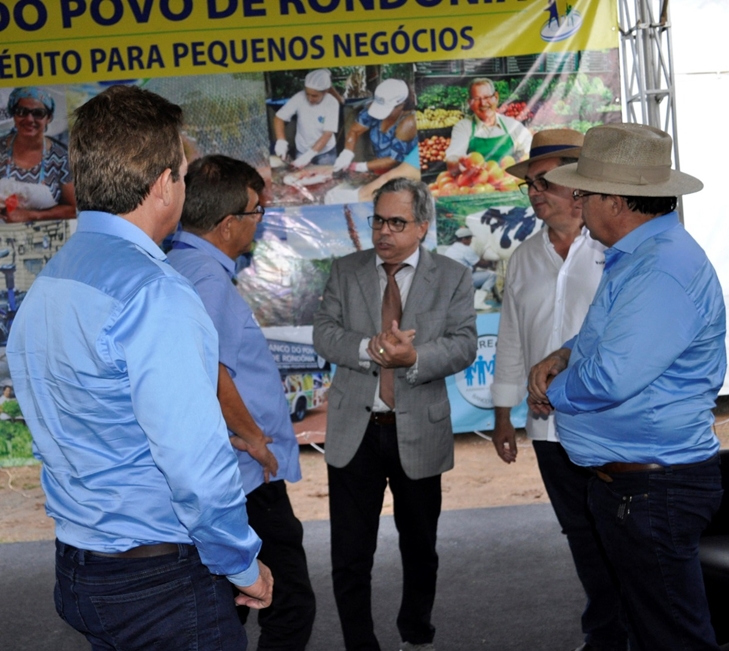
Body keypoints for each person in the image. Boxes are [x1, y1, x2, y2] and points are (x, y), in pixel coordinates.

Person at [6, 85, 273, 651]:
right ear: (164, 185)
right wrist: (242, 564)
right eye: (184, 174)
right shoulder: (156, 293)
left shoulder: (50, 280)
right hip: (159, 584)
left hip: (82, 566)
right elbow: (196, 468)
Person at [527, 123, 726, 651]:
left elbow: (612, 375)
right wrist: (566, 353)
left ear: (614, 202)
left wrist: (552, 391)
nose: (578, 203)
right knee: (652, 631)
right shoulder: (643, 257)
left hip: (654, 489)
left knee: (672, 638)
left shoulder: (660, 268)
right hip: (641, 485)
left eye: (585, 194)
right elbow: (613, 339)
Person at [312, 177, 477, 651]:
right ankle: (359, 642)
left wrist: (415, 357)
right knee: (350, 554)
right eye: (378, 221)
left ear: (423, 226)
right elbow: (324, 333)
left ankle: (417, 631)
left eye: (397, 223)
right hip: (355, 432)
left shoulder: (452, 276)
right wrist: (370, 347)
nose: (383, 232)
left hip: (419, 430)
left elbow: (464, 343)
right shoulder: (346, 270)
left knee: (420, 547)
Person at [168, 154, 316, 651]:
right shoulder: (207, 277)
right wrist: (255, 439)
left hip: (223, 471)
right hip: (244, 475)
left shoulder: (182, 264)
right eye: (256, 211)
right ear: (228, 223)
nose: (260, 220)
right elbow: (207, 371)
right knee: (288, 604)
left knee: (231, 605)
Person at [490, 129, 627, 651]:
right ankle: (605, 633)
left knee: (621, 532)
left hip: (609, 423)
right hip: (547, 427)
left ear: (578, 183)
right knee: (580, 533)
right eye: (529, 184)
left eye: (544, 181)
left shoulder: (616, 250)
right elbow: (510, 337)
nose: (534, 193)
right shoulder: (524, 256)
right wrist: (503, 415)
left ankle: (634, 630)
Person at [0, 87, 76, 222]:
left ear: (48, 118)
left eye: (38, 113)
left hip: (44, 232)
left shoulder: (61, 158)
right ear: (14, 115)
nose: (29, 119)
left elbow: (73, 209)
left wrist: (32, 215)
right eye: (22, 112)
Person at [443, 77, 532, 173]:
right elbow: (454, 155)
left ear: (496, 97)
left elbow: (531, 148)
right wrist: (456, 163)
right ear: (470, 103)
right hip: (476, 180)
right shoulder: (463, 127)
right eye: (477, 99)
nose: (483, 103)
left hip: (508, 180)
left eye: (487, 97)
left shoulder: (512, 125)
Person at [333, 79, 418, 175]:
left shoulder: (408, 123)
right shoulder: (371, 110)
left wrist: (359, 166)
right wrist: (347, 153)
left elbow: (394, 159)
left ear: (401, 105)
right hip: (379, 164)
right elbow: (355, 131)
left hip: (404, 169)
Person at [273, 68, 342, 169]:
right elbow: (279, 118)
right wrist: (281, 141)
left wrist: (308, 156)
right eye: (307, 94)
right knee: (299, 177)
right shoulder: (299, 98)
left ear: (325, 91)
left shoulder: (332, 103)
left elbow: (327, 134)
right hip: (302, 150)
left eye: (314, 96)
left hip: (325, 153)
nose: (309, 99)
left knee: (325, 177)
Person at [443, 226, 497, 296]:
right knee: (492, 275)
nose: (470, 241)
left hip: (451, 281)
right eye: (470, 239)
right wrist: (492, 262)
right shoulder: (465, 249)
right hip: (462, 282)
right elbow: (481, 264)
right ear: (463, 239)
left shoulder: (450, 249)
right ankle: (481, 297)